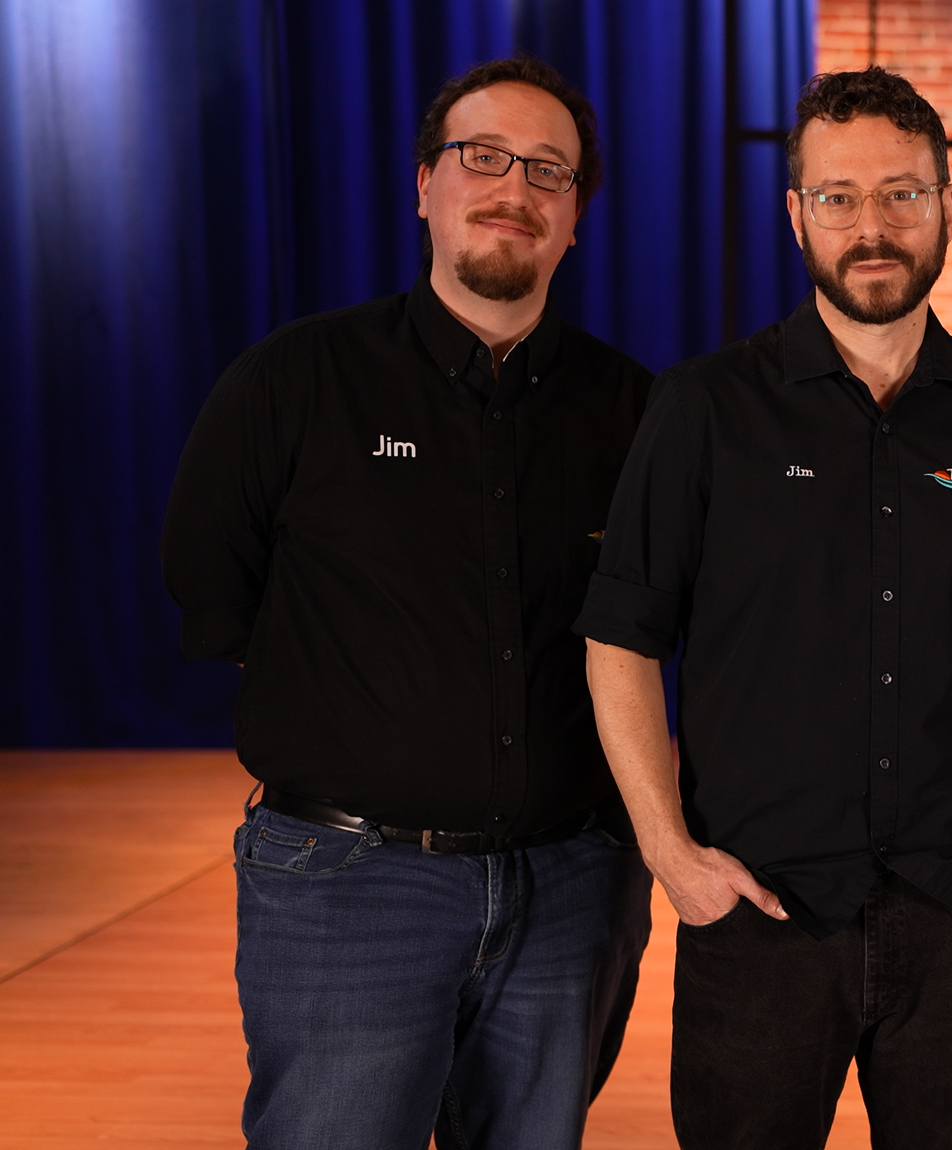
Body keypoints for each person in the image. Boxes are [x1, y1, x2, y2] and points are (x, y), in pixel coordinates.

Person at [575, 67, 952, 1148]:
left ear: (949, 206)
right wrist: (671, 854)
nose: (873, 226)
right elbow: (620, 639)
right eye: (840, 196)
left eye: (904, 194)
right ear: (796, 213)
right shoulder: (704, 409)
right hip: (760, 918)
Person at [160, 57, 654, 1150]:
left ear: (574, 218)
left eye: (548, 171)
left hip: (572, 886)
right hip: (347, 883)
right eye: (482, 157)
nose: (512, 187)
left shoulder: (636, 412)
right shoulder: (293, 382)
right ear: (424, 184)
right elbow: (213, 582)